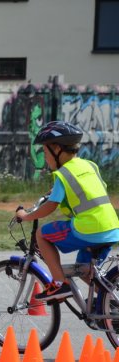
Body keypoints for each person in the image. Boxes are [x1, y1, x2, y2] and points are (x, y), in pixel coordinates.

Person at [15, 120, 119, 301]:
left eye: (45, 152)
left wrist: (26, 216)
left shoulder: (63, 174)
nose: (45, 158)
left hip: (88, 228)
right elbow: (88, 191)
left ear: (57, 149)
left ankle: (60, 283)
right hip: (111, 228)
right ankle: (110, 305)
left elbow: (51, 206)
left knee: (41, 234)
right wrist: (58, 191)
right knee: (85, 270)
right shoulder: (90, 165)